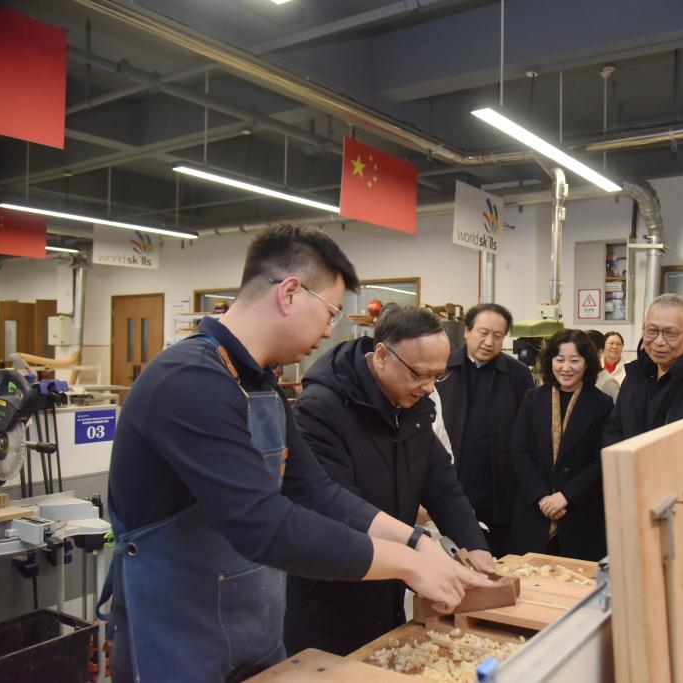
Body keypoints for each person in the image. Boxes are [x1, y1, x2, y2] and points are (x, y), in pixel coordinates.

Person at [101, 225, 487, 682]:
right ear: (289, 293)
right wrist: (409, 565)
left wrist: (416, 541)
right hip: (176, 637)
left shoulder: (260, 382)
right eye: (330, 312)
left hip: (252, 629)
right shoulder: (189, 380)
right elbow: (264, 525)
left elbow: (316, 491)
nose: (329, 330)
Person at [285, 306, 494, 655]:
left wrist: (474, 546)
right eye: (420, 374)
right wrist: (416, 550)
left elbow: (441, 484)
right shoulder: (321, 408)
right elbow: (336, 506)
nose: (429, 388)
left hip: (393, 584)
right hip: (335, 592)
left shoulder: (412, 405)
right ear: (382, 356)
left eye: (438, 376)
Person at [437, 303, 534, 557]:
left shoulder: (518, 375)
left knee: (497, 562)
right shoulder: (442, 368)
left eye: (498, 336)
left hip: (499, 493)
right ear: (467, 330)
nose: (489, 342)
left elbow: (527, 435)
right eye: (483, 332)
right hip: (450, 486)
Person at [509, 330, 614, 561]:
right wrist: (542, 497)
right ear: (550, 361)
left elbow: (602, 458)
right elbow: (519, 451)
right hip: (535, 510)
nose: (566, 368)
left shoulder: (602, 404)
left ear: (587, 363)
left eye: (575, 360)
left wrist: (566, 496)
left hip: (580, 512)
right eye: (560, 360)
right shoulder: (532, 398)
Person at [604, 294, 683, 446]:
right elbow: (614, 430)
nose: (659, 341)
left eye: (670, 333)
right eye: (651, 331)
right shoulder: (635, 375)